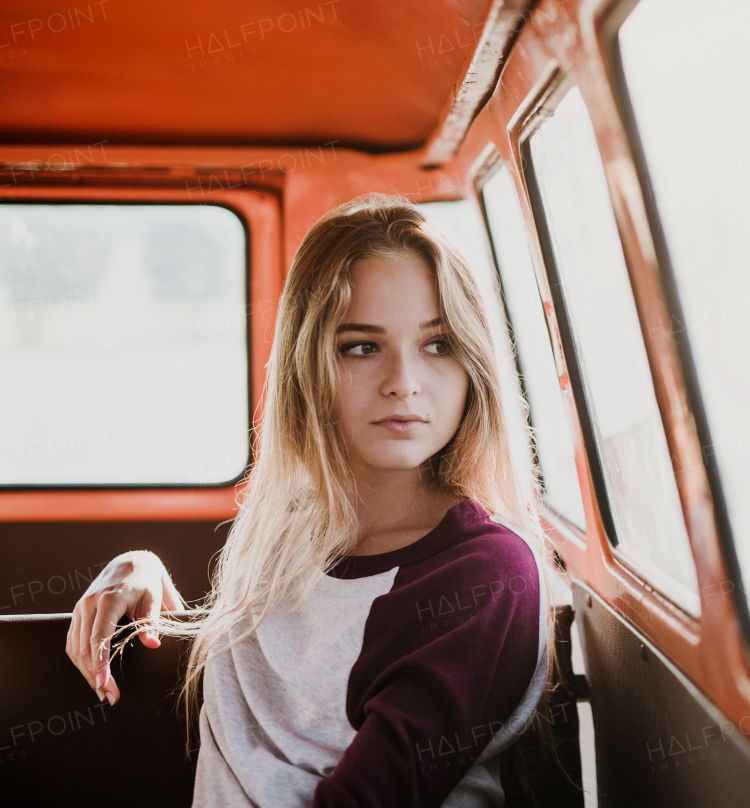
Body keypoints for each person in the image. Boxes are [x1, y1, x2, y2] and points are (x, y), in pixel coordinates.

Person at [63, 194, 559, 807]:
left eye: (438, 344)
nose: (403, 380)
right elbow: (279, 701)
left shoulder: (486, 574)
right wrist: (142, 571)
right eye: (361, 346)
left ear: (474, 364)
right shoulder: (285, 537)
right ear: (306, 366)